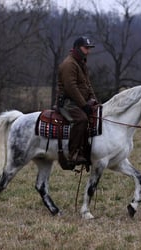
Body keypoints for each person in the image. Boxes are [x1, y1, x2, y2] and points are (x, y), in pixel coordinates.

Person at [56, 36, 98, 166]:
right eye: (86, 48)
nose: (88, 51)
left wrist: (94, 100)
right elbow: (71, 88)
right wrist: (84, 105)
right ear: (77, 48)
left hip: (78, 102)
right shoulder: (69, 64)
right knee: (81, 119)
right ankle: (72, 154)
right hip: (68, 103)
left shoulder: (81, 63)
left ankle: (85, 151)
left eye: (89, 48)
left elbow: (87, 84)